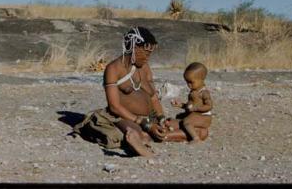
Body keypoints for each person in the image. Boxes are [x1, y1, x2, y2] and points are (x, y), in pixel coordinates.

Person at [74, 26, 168, 157]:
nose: (148, 58)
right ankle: (141, 146)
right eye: (146, 53)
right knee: (139, 133)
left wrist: (161, 117)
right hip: (125, 117)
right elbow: (114, 107)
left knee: (174, 127)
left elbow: (153, 97)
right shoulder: (114, 69)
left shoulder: (145, 67)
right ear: (134, 48)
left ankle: (143, 137)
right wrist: (144, 123)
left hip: (149, 117)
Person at [169, 62, 213, 143]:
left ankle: (196, 138)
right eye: (187, 82)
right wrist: (180, 105)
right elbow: (190, 105)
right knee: (179, 116)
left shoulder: (204, 93)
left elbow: (209, 106)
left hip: (203, 116)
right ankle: (183, 131)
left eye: (191, 82)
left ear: (202, 79)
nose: (189, 85)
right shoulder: (193, 91)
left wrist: (195, 108)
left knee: (187, 122)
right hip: (194, 114)